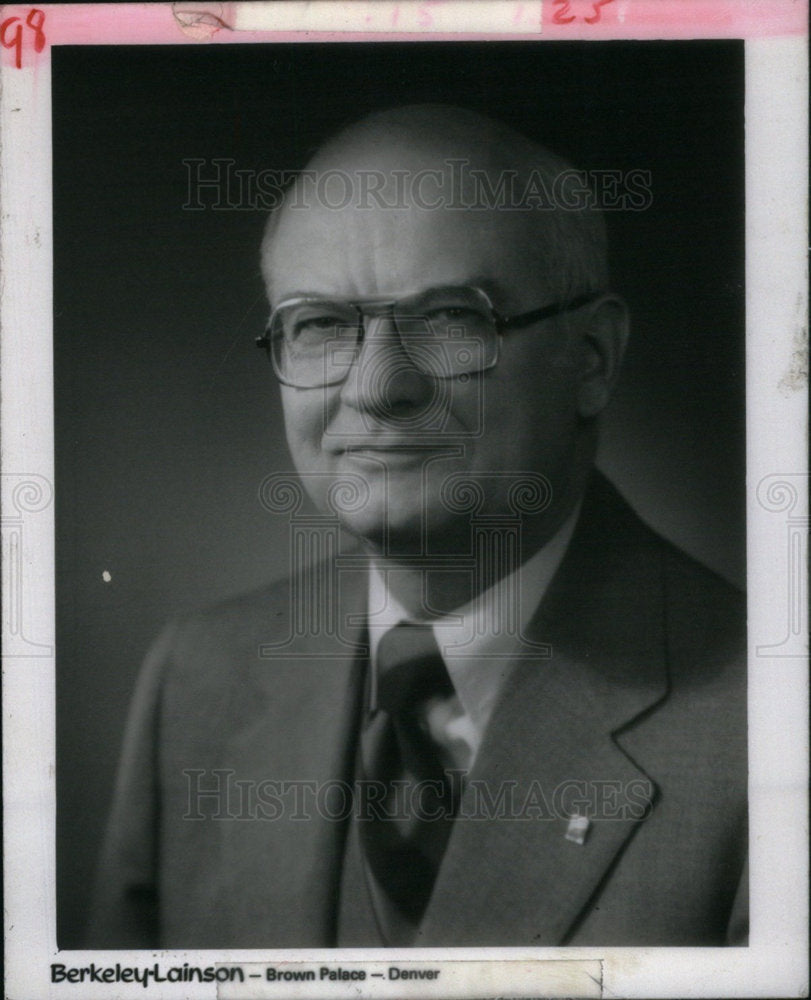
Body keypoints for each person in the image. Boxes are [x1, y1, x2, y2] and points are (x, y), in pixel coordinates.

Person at [89, 105, 747, 948]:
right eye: (321, 324)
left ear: (592, 359)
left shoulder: (762, 730)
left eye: (446, 318)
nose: (376, 388)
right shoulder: (198, 677)